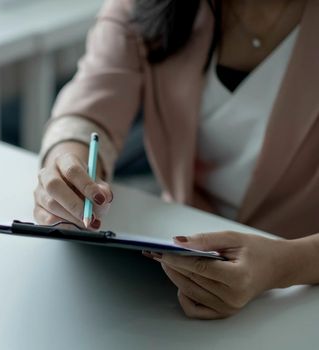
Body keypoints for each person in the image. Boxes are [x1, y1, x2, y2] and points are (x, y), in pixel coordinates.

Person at [34, 0, 319, 319]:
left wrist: (286, 265)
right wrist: (67, 163)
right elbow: (89, 105)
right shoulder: (146, 6)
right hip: (176, 274)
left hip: (302, 295)